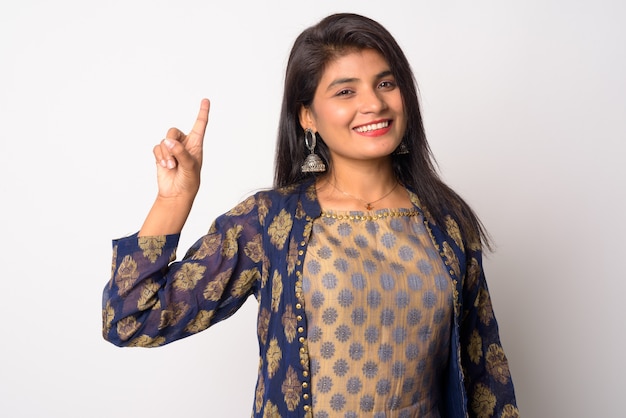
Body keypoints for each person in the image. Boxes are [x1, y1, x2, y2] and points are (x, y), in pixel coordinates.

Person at [102, 13, 518, 418]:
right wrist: (174, 201)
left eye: (386, 84)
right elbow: (130, 319)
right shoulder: (270, 223)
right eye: (345, 92)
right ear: (307, 116)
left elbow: (485, 379)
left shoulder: (446, 222)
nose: (373, 103)